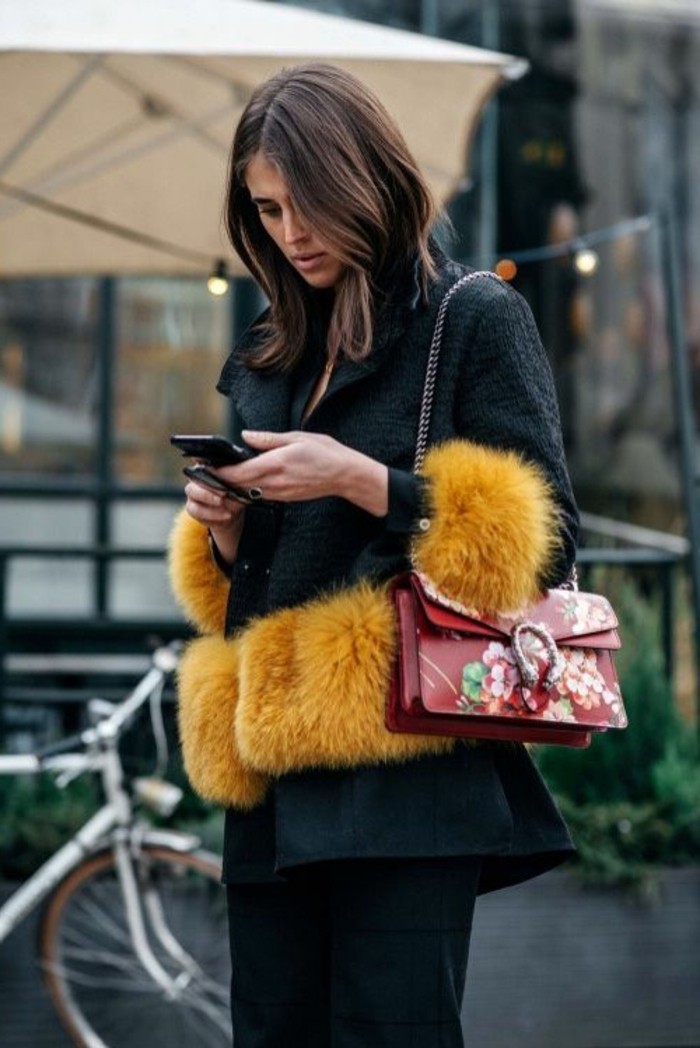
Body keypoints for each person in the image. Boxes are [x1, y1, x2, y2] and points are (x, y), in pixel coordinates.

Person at [168, 63, 579, 1048]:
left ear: (365, 178)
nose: (288, 232)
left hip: (406, 767)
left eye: (305, 204)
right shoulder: (273, 348)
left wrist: (362, 477)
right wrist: (228, 534)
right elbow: (275, 571)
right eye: (265, 211)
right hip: (273, 776)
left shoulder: (470, 318)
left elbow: (550, 541)